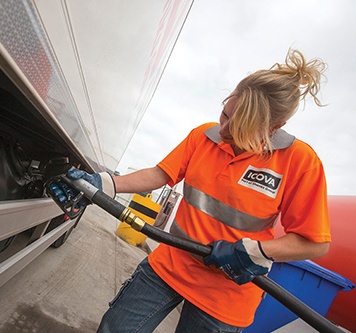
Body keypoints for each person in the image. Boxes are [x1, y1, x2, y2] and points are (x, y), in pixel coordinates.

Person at [58, 48, 331, 332]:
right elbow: (160, 173)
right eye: (225, 115)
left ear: (275, 127)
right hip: (171, 265)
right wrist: (106, 183)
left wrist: (255, 251)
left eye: (240, 128)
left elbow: (315, 243)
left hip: (227, 293)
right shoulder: (205, 136)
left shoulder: (299, 162)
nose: (224, 130)